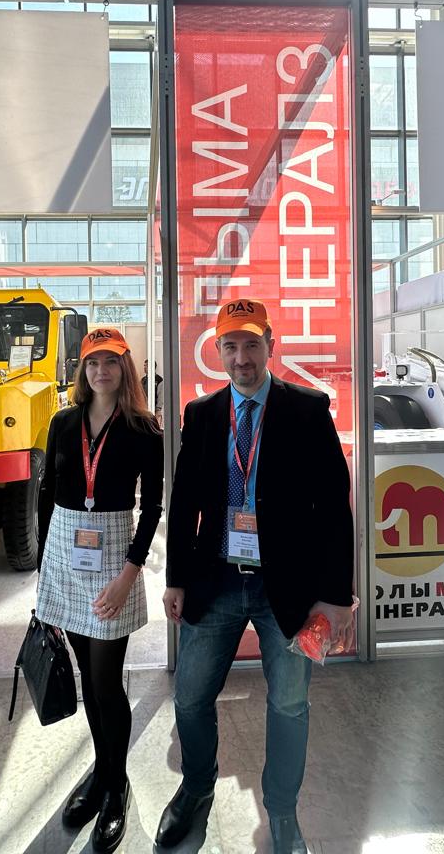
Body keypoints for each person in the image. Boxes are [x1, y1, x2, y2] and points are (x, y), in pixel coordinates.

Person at [156, 298, 355, 854]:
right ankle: (196, 789)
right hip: (214, 581)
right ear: (217, 351)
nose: (241, 358)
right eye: (230, 346)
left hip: (286, 590)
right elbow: (183, 503)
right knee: (190, 698)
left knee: (289, 704)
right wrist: (175, 578)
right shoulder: (201, 415)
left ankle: (283, 813)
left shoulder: (308, 409)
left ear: (271, 345)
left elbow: (335, 509)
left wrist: (337, 596)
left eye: (251, 344)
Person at [36, 327, 165, 853]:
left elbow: (152, 507)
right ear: (82, 369)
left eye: (110, 362)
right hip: (65, 558)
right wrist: (44, 571)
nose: (100, 371)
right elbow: (47, 493)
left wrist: (129, 574)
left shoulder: (144, 429)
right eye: (92, 363)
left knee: (107, 681)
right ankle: (101, 770)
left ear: (125, 369)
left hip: (115, 560)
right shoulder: (62, 422)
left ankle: (116, 786)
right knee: (89, 680)